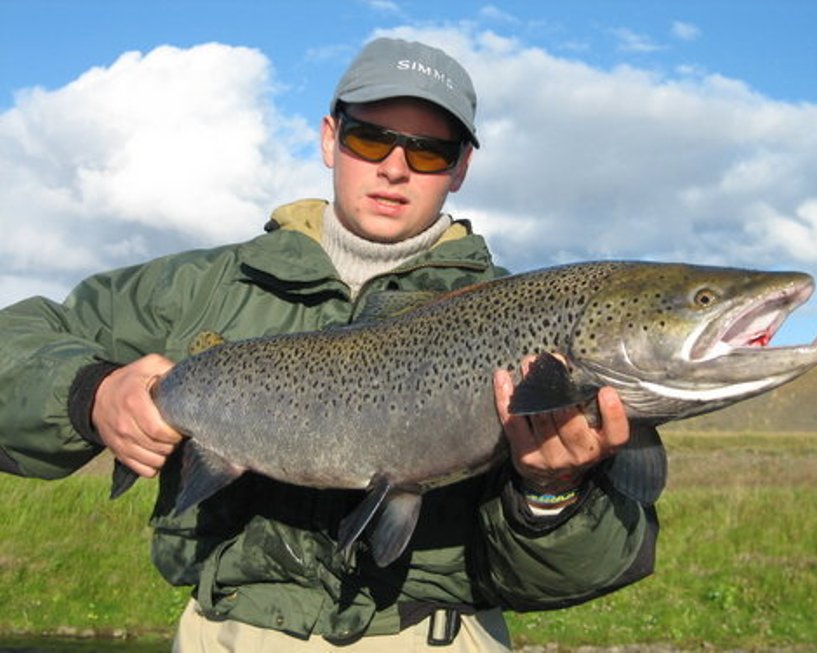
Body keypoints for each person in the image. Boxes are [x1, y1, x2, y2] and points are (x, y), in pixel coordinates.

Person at [0, 38, 658, 651]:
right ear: (328, 138)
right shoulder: (195, 289)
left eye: (428, 151)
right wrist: (91, 392)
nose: (395, 168)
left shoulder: (530, 323)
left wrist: (550, 493)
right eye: (371, 138)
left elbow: (577, 576)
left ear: (460, 168)